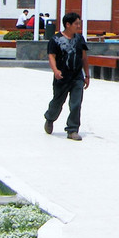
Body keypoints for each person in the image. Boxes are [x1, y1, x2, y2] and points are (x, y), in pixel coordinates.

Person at [43, 12, 89, 141]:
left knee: (76, 103)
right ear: (67, 25)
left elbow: (84, 57)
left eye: (79, 23)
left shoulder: (80, 39)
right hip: (62, 77)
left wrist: (87, 75)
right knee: (57, 102)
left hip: (77, 77)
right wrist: (55, 70)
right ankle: (50, 118)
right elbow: (51, 56)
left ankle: (72, 129)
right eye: (76, 23)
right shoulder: (55, 39)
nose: (79, 26)